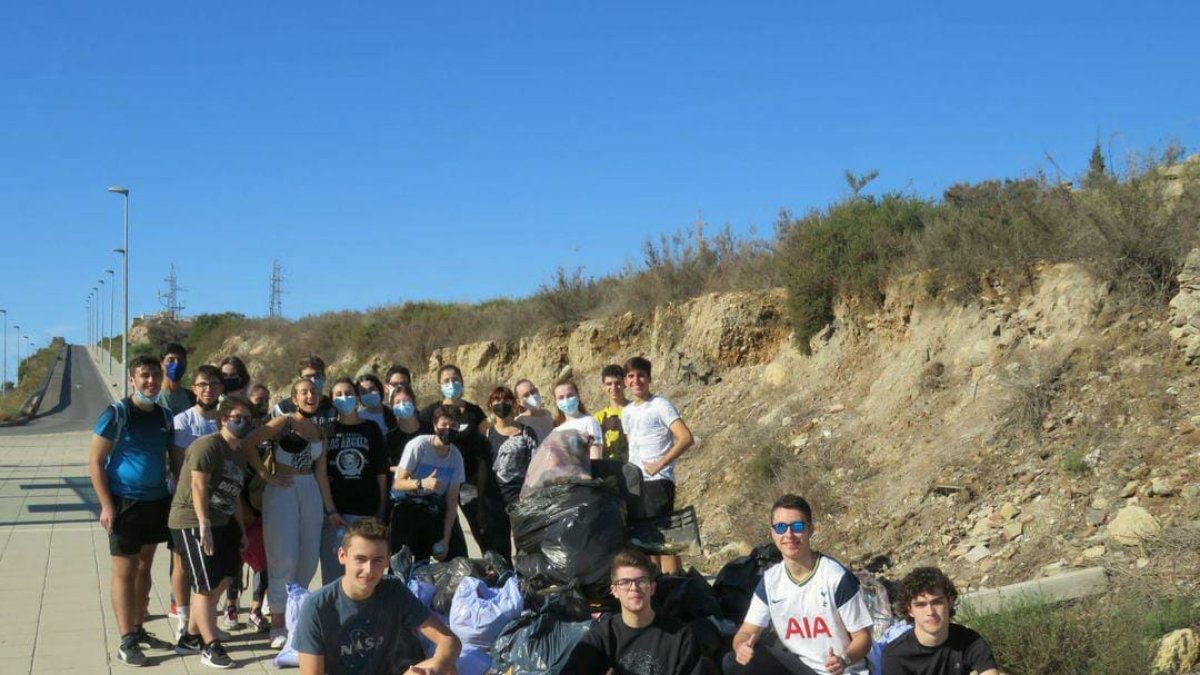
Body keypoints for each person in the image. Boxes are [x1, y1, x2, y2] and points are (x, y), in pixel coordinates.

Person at [88, 355, 176, 666]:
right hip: (124, 502)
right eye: (144, 376)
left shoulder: (164, 416)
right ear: (132, 379)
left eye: (155, 375)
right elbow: (96, 462)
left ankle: (139, 629)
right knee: (124, 572)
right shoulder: (117, 413)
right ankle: (126, 640)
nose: (150, 381)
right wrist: (107, 505)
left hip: (156, 501)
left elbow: (172, 459)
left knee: (144, 568)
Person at [294, 518, 461, 675]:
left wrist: (435, 669)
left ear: (388, 560)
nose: (369, 570)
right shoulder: (317, 606)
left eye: (377, 560)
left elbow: (449, 640)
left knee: (446, 668)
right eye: (360, 559)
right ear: (342, 556)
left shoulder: (393, 590)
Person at [727, 495, 873, 675]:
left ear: (810, 530)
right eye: (780, 527)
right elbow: (747, 631)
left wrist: (844, 659)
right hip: (800, 668)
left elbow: (863, 638)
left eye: (797, 527)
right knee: (734, 662)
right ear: (772, 533)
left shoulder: (835, 578)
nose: (789, 535)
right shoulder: (770, 580)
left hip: (840, 671)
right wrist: (742, 646)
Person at [242, 378, 334, 649]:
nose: (310, 396)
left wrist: (331, 509)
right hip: (282, 489)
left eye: (314, 392)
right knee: (283, 557)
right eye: (304, 392)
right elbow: (249, 443)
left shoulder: (320, 431)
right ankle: (277, 624)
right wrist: (265, 475)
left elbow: (321, 474)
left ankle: (297, 620)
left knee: (307, 558)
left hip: (310, 492)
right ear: (294, 398)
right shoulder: (284, 423)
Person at [168, 395, 255, 669]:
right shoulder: (207, 446)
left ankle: (192, 636)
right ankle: (210, 645)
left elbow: (235, 494)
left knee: (219, 580)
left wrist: (241, 530)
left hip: (223, 521)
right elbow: (198, 486)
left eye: (247, 419)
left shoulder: (239, 453)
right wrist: (203, 523)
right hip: (192, 520)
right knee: (205, 584)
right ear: (222, 420)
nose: (242, 423)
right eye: (236, 418)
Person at [564, 549, 704, 675]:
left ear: (652, 588)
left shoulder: (680, 637)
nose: (634, 588)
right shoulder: (601, 638)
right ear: (615, 591)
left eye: (641, 581)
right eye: (624, 582)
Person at [419, 364, 507, 558]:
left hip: (470, 480)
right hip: (441, 480)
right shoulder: (429, 413)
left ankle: (494, 567)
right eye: (446, 381)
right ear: (439, 384)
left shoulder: (475, 412)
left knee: (481, 526)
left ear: (462, 381)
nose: (452, 384)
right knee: (445, 530)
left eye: (455, 379)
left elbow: (484, 446)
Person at [621, 356, 694, 573]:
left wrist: (660, 464)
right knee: (645, 542)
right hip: (636, 484)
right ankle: (657, 588)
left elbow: (685, 437)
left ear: (649, 379)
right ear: (626, 381)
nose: (636, 381)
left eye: (641, 375)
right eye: (631, 376)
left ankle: (675, 586)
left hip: (657, 481)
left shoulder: (660, 405)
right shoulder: (627, 412)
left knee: (664, 542)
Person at [169, 365, 226, 639]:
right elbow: (180, 465)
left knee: (217, 565)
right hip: (187, 505)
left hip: (220, 503)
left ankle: (204, 620)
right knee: (181, 563)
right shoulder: (183, 420)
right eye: (203, 384)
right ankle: (183, 617)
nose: (208, 389)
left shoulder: (225, 420)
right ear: (194, 388)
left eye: (214, 384)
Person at [320, 378, 390, 584]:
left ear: (358, 397)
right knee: (333, 572)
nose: (345, 398)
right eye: (338, 394)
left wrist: (381, 508)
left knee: (365, 573)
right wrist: (331, 509)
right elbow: (321, 473)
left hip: (366, 510)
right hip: (335, 513)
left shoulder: (371, 428)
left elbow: (380, 472)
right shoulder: (327, 430)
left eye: (349, 393)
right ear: (332, 401)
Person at [880, 567, 999, 675]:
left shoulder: (969, 641)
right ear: (910, 610)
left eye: (937, 602)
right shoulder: (895, 656)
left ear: (950, 602)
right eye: (921, 605)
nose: (930, 612)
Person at [391, 405, 468, 560]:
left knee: (459, 555)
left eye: (453, 426)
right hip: (408, 505)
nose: (448, 429)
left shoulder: (456, 457)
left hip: (434, 507)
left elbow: (452, 501)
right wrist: (421, 483)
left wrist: (445, 540)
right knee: (406, 560)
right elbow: (398, 483)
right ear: (435, 426)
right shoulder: (419, 445)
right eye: (444, 425)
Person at [485, 386, 538, 506]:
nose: (502, 403)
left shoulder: (527, 432)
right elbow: (484, 469)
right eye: (497, 399)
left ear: (514, 404)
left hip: (522, 499)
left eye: (506, 399)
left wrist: (529, 494)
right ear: (490, 405)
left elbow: (535, 465)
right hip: (495, 501)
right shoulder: (487, 434)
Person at [273, 355, 337, 433]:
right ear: (300, 380)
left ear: (324, 377)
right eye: (308, 377)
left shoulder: (334, 407)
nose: (313, 380)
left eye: (317, 376)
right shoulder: (284, 408)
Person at [552, 378, 604, 459]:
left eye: (570, 396)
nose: (566, 400)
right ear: (556, 401)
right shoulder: (556, 431)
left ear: (578, 396)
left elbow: (595, 458)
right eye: (561, 397)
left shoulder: (589, 422)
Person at [594, 364, 630, 462]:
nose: (613, 387)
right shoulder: (599, 417)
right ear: (603, 387)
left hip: (634, 467)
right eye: (609, 384)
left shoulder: (635, 410)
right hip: (610, 469)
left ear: (624, 383)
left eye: (617, 383)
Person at [155, 342, 196, 416]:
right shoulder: (152, 398)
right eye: (171, 360)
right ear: (161, 364)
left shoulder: (192, 397)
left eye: (180, 360)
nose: (176, 364)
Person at [514, 378, 555, 443]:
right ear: (519, 402)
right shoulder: (519, 421)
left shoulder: (547, 414)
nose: (532, 396)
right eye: (526, 395)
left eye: (533, 391)